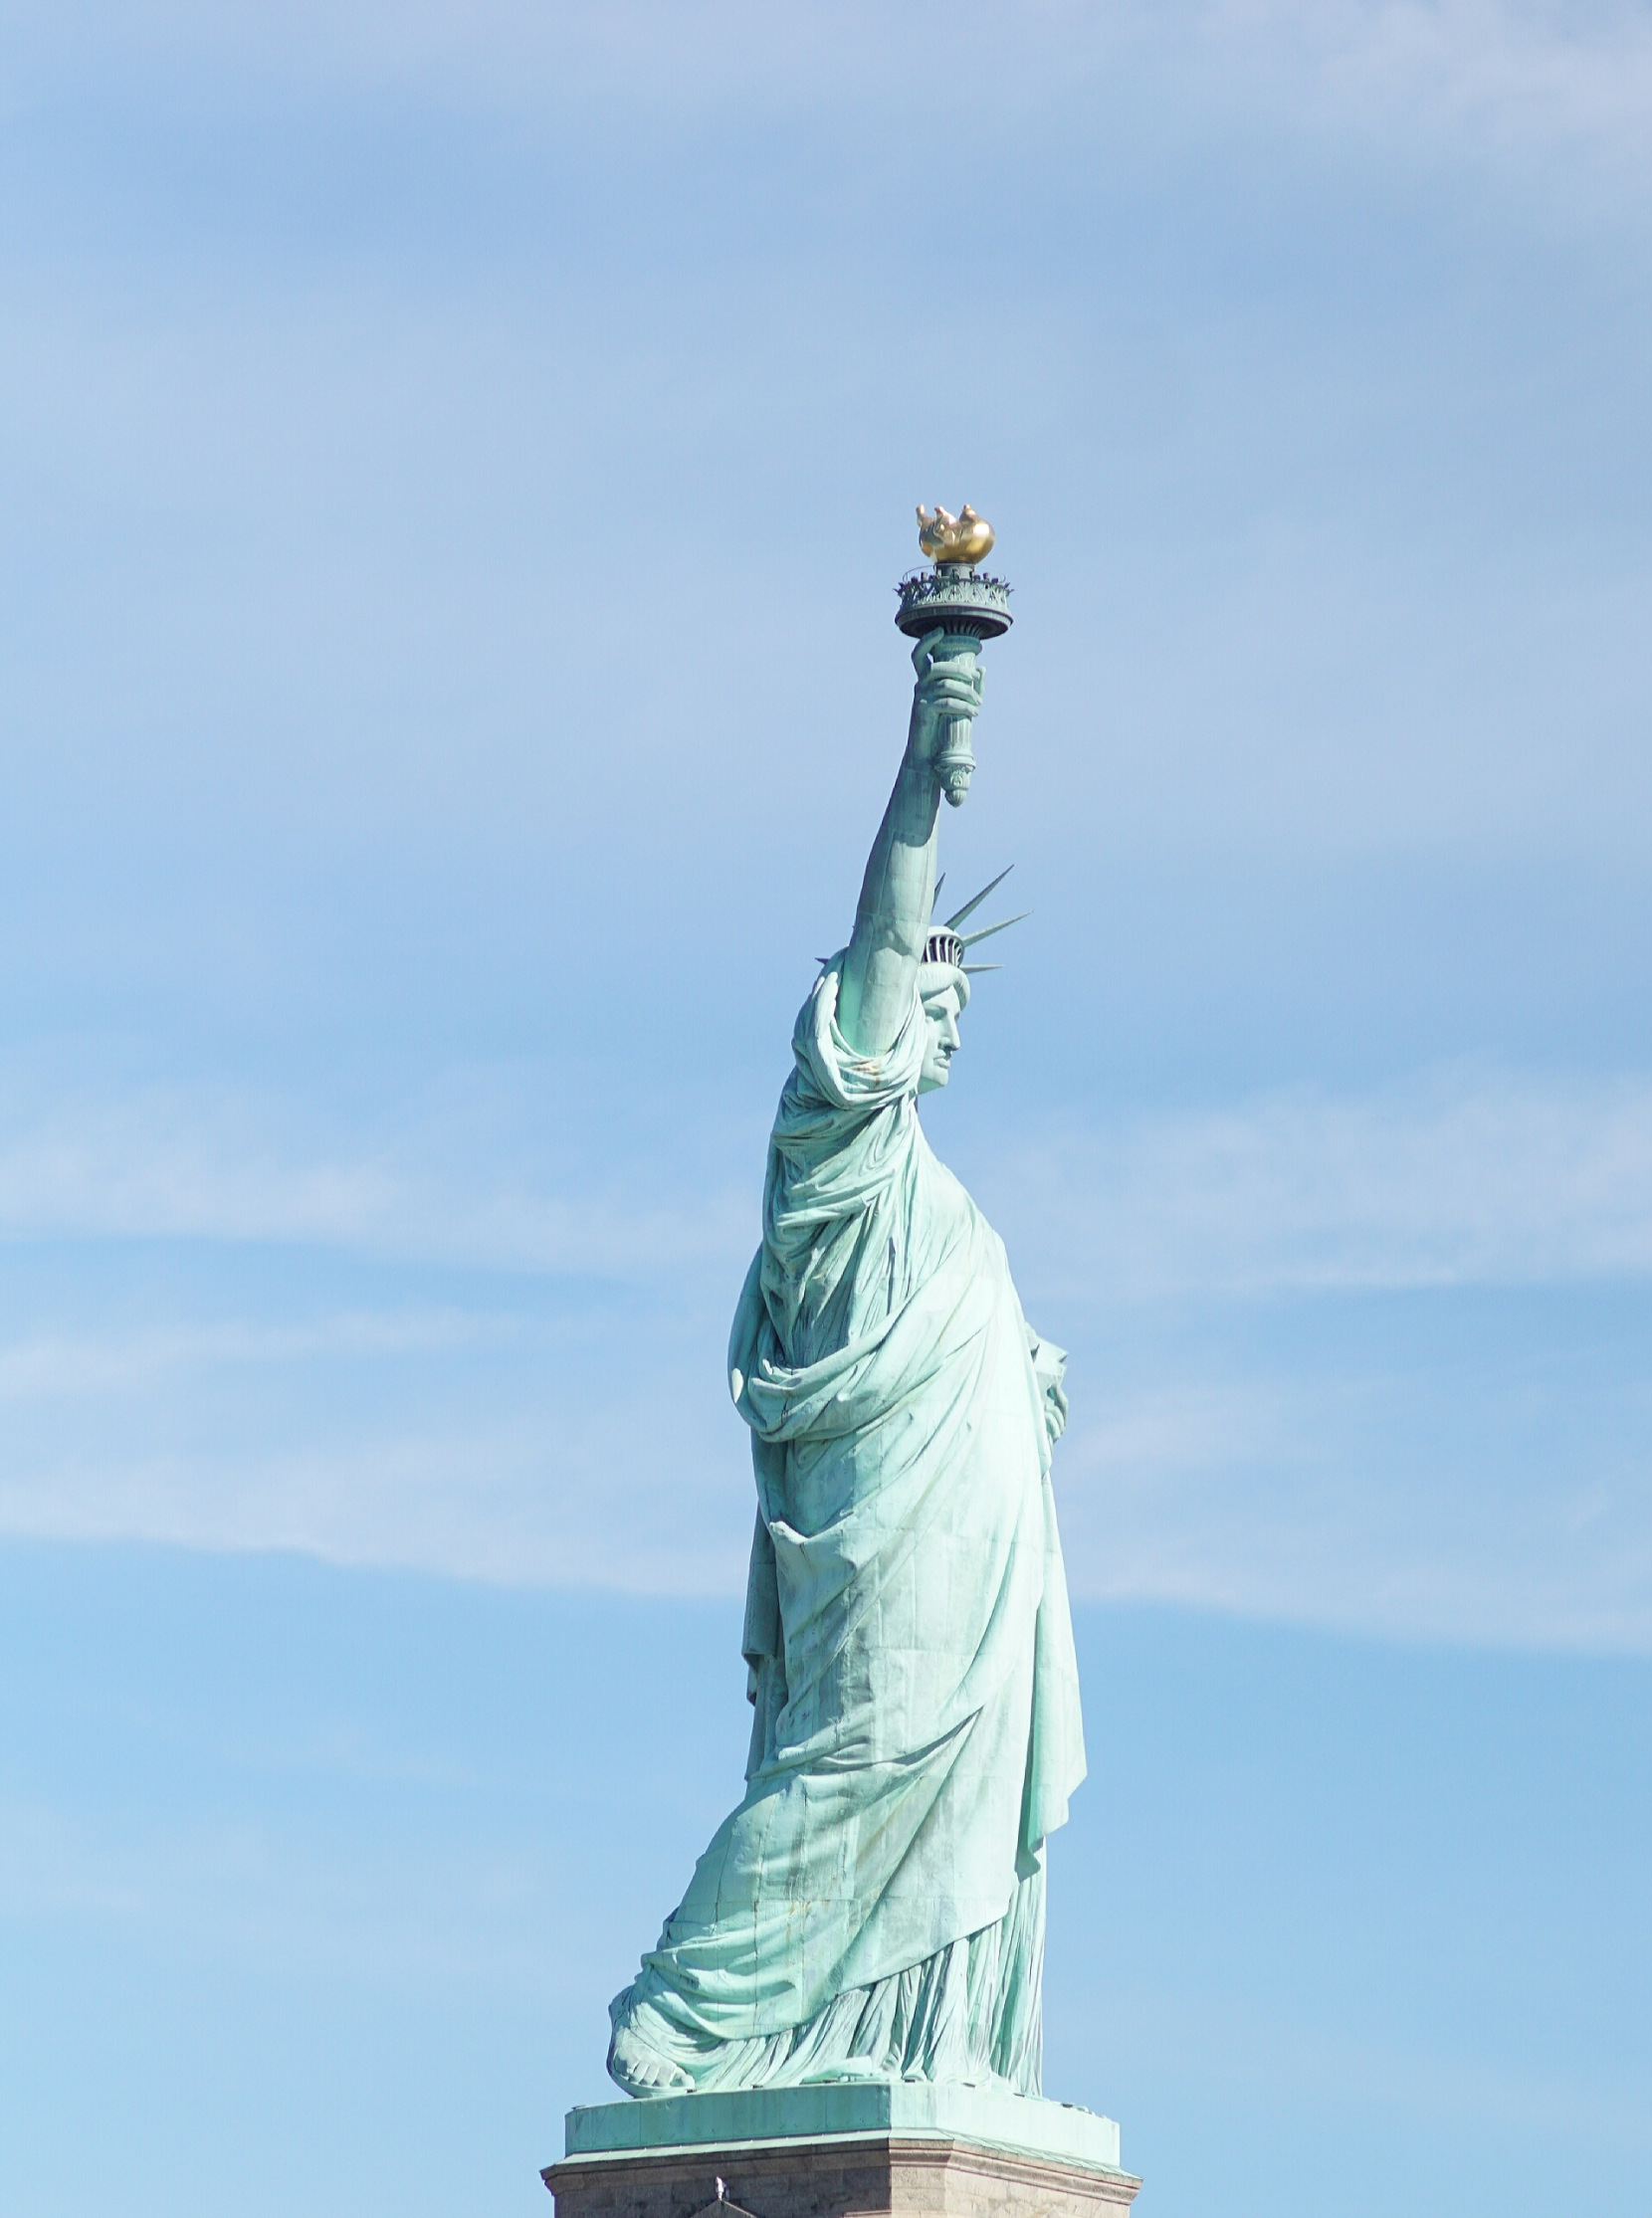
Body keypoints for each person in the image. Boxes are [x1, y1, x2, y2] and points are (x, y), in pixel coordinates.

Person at [606, 630, 1085, 2100]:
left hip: (977, 1555)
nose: (938, 1014)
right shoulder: (837, 1144)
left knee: (941, 1779)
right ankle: (687, 2010)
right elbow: (890, 921)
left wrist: (1026, 1380)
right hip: (885, 1547)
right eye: (917, 999)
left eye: (949, 1005)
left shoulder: (949, 1205)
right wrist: (936, 741)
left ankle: (916, 2042)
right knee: (857, 1758)